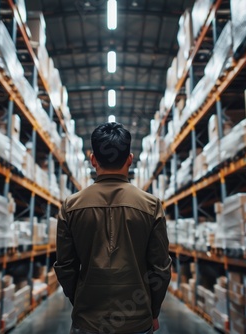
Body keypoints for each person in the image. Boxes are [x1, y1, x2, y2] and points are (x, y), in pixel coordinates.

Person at [54, 122, 172, 334]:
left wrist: (81, 302)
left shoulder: (71, 207)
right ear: (129, 159)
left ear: (92, 160)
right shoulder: (151, 206)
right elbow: (160, 269)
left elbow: (65, 267)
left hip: (88, 321)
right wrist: (153, 312)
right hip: (137, 321)